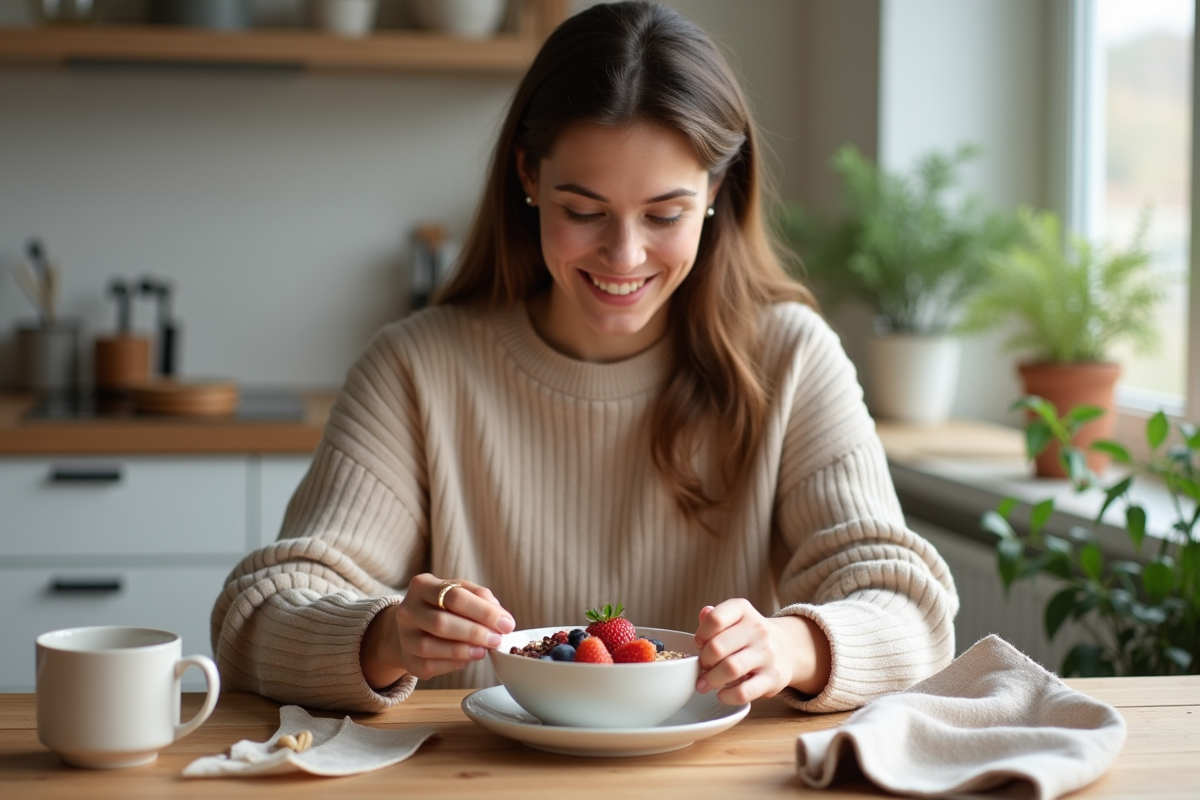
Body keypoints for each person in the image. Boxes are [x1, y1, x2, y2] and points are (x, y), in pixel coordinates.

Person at [211, 0, 958, 714]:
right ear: (529, 178)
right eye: (584, 211)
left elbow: (912, 613)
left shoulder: (791, 360)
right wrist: (386, 636)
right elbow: (259, 613)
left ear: (715, 192)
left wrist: (792, 646)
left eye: (663, 213)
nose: (624, 255)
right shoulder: (415, 368)